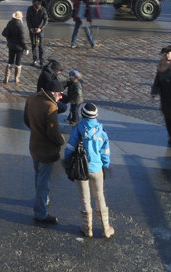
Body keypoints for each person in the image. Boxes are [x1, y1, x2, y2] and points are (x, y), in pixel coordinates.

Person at [64, 102, 115, 239]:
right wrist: (105, 165)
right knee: (99, 196)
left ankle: (88, 228)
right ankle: (105, 228)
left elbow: (69, 148)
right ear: (96, 116)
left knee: (85, 199)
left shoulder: (78, 129)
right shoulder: (102, 131)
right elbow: (105, 152)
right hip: (97, 168)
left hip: (81, 169)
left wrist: (67, 161)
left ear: (82, 115)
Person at [24, 75, 65, 225]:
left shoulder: (32, 98)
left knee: (38, 175)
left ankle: (42, 200)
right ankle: (41, 212)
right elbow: (53, 133)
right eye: (60, 94)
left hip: (34, 145)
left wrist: (36, 131)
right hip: (46, 149)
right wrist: (61, 140)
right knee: (44, 182)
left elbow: (26, 120)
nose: (61, 97)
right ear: (53, 92)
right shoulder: (51, 107)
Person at [2, 10, 28, 85]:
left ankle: (6, 78)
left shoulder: (10, 22)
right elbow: (22, 38)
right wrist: (26, 48)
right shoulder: (20, 25)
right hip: (19, 47)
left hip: (11, 45)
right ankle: (16, 78)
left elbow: (5, 33)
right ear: (20, 17)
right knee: (18, 62)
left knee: (10, 61)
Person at [26, 0, 49, 67]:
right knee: (34, 45)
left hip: (40, 31)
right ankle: (35, 60)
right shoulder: (30, 9)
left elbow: (46, 20)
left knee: (41, 46)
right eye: (35, 9)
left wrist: (40, 28)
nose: (36, 10)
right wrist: (30, 28)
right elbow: (28, 19)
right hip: (32, 31)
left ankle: (42, 62)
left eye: (37, 9)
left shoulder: (43, 10)